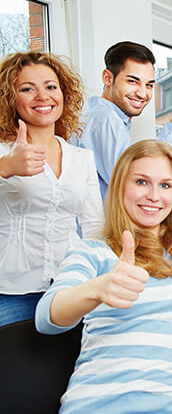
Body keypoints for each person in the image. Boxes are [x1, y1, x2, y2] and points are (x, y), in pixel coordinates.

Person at [35, 140, 172, 413]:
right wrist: (97, 290)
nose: (154, 195)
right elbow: (46, 317)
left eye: (165, 185)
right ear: (121, 186)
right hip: (99, 405)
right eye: (141, 182)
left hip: (170, 407)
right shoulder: (95, 251)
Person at [0, 51, 103, 327]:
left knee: (65, 370)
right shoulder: (3, 152)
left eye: (50, 86)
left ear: (63, 93)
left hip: (69, 290)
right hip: (10, 293)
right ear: (10, 99)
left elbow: (95, 227)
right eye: (27, 89)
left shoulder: (82, 158)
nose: (43, 96)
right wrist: (6, 167)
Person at [72, 41, 172, 198]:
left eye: (149, 85)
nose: (142, 93)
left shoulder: (109, 119)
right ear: (107, 78)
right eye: (133, 81)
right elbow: (136, 180)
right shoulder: (105, 120)